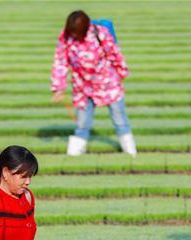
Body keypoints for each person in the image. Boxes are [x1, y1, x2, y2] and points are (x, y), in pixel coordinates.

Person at [50, 10, 136, 157]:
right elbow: (61, 62)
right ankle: (74, 154)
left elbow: (115, 54)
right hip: (82, 87)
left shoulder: (100, 33)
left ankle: (130, 151)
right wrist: (58, 88)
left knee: (119, 118)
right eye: (72, 33)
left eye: (76, 34)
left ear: (84, 29)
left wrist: (121, 75)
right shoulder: (65, 36)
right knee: (82, 122)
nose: (74, 36)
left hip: (108, 84)